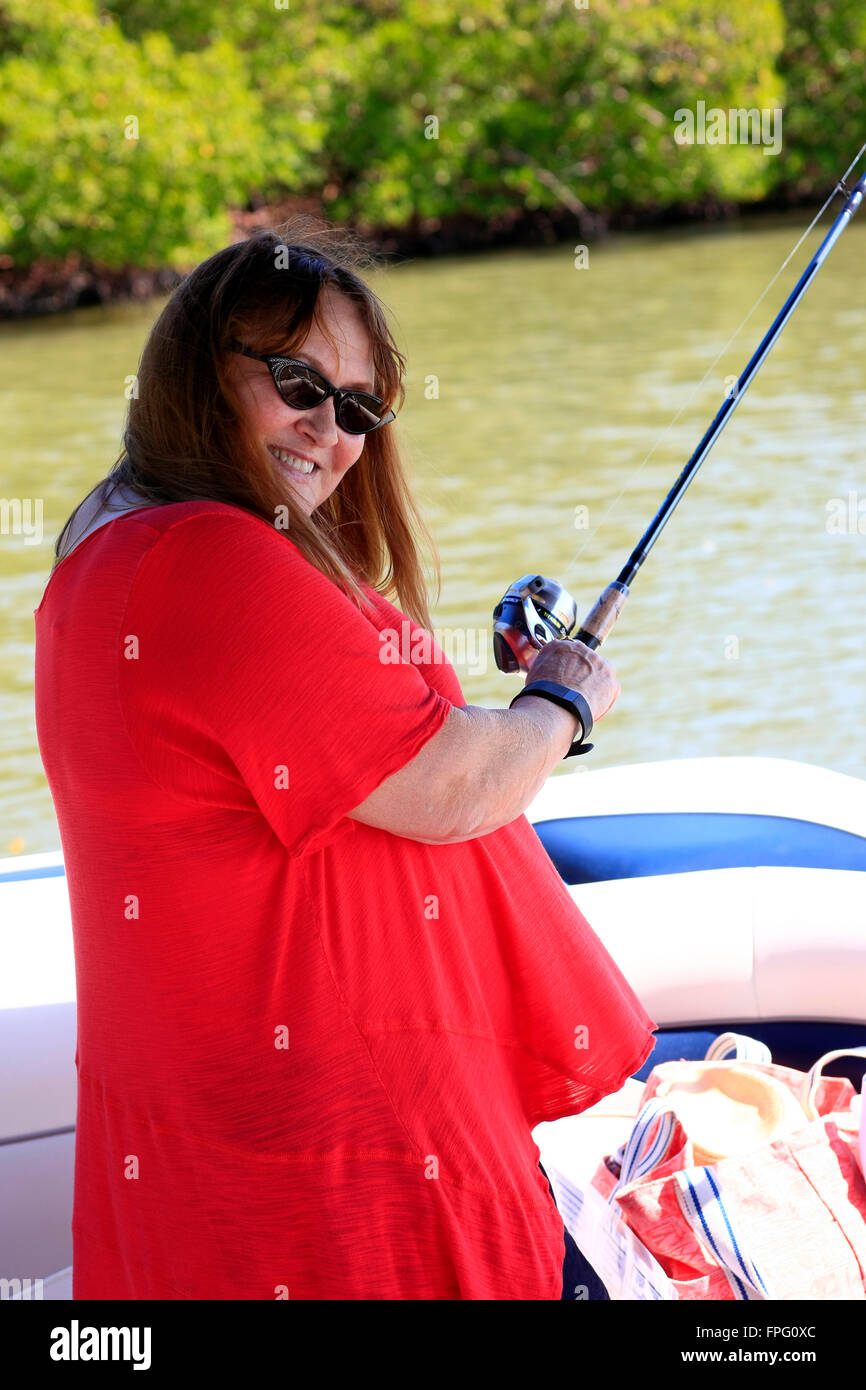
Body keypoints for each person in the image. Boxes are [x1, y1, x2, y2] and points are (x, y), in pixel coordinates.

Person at [34, 221, 656, 1301]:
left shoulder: (103, 549)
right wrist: (561, 698)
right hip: (346, 1179)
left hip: (213, 1161)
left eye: (361, 406)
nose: (330, 429)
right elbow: (452, 785)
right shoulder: (211, 561)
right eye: (297, 382)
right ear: (195, 369)